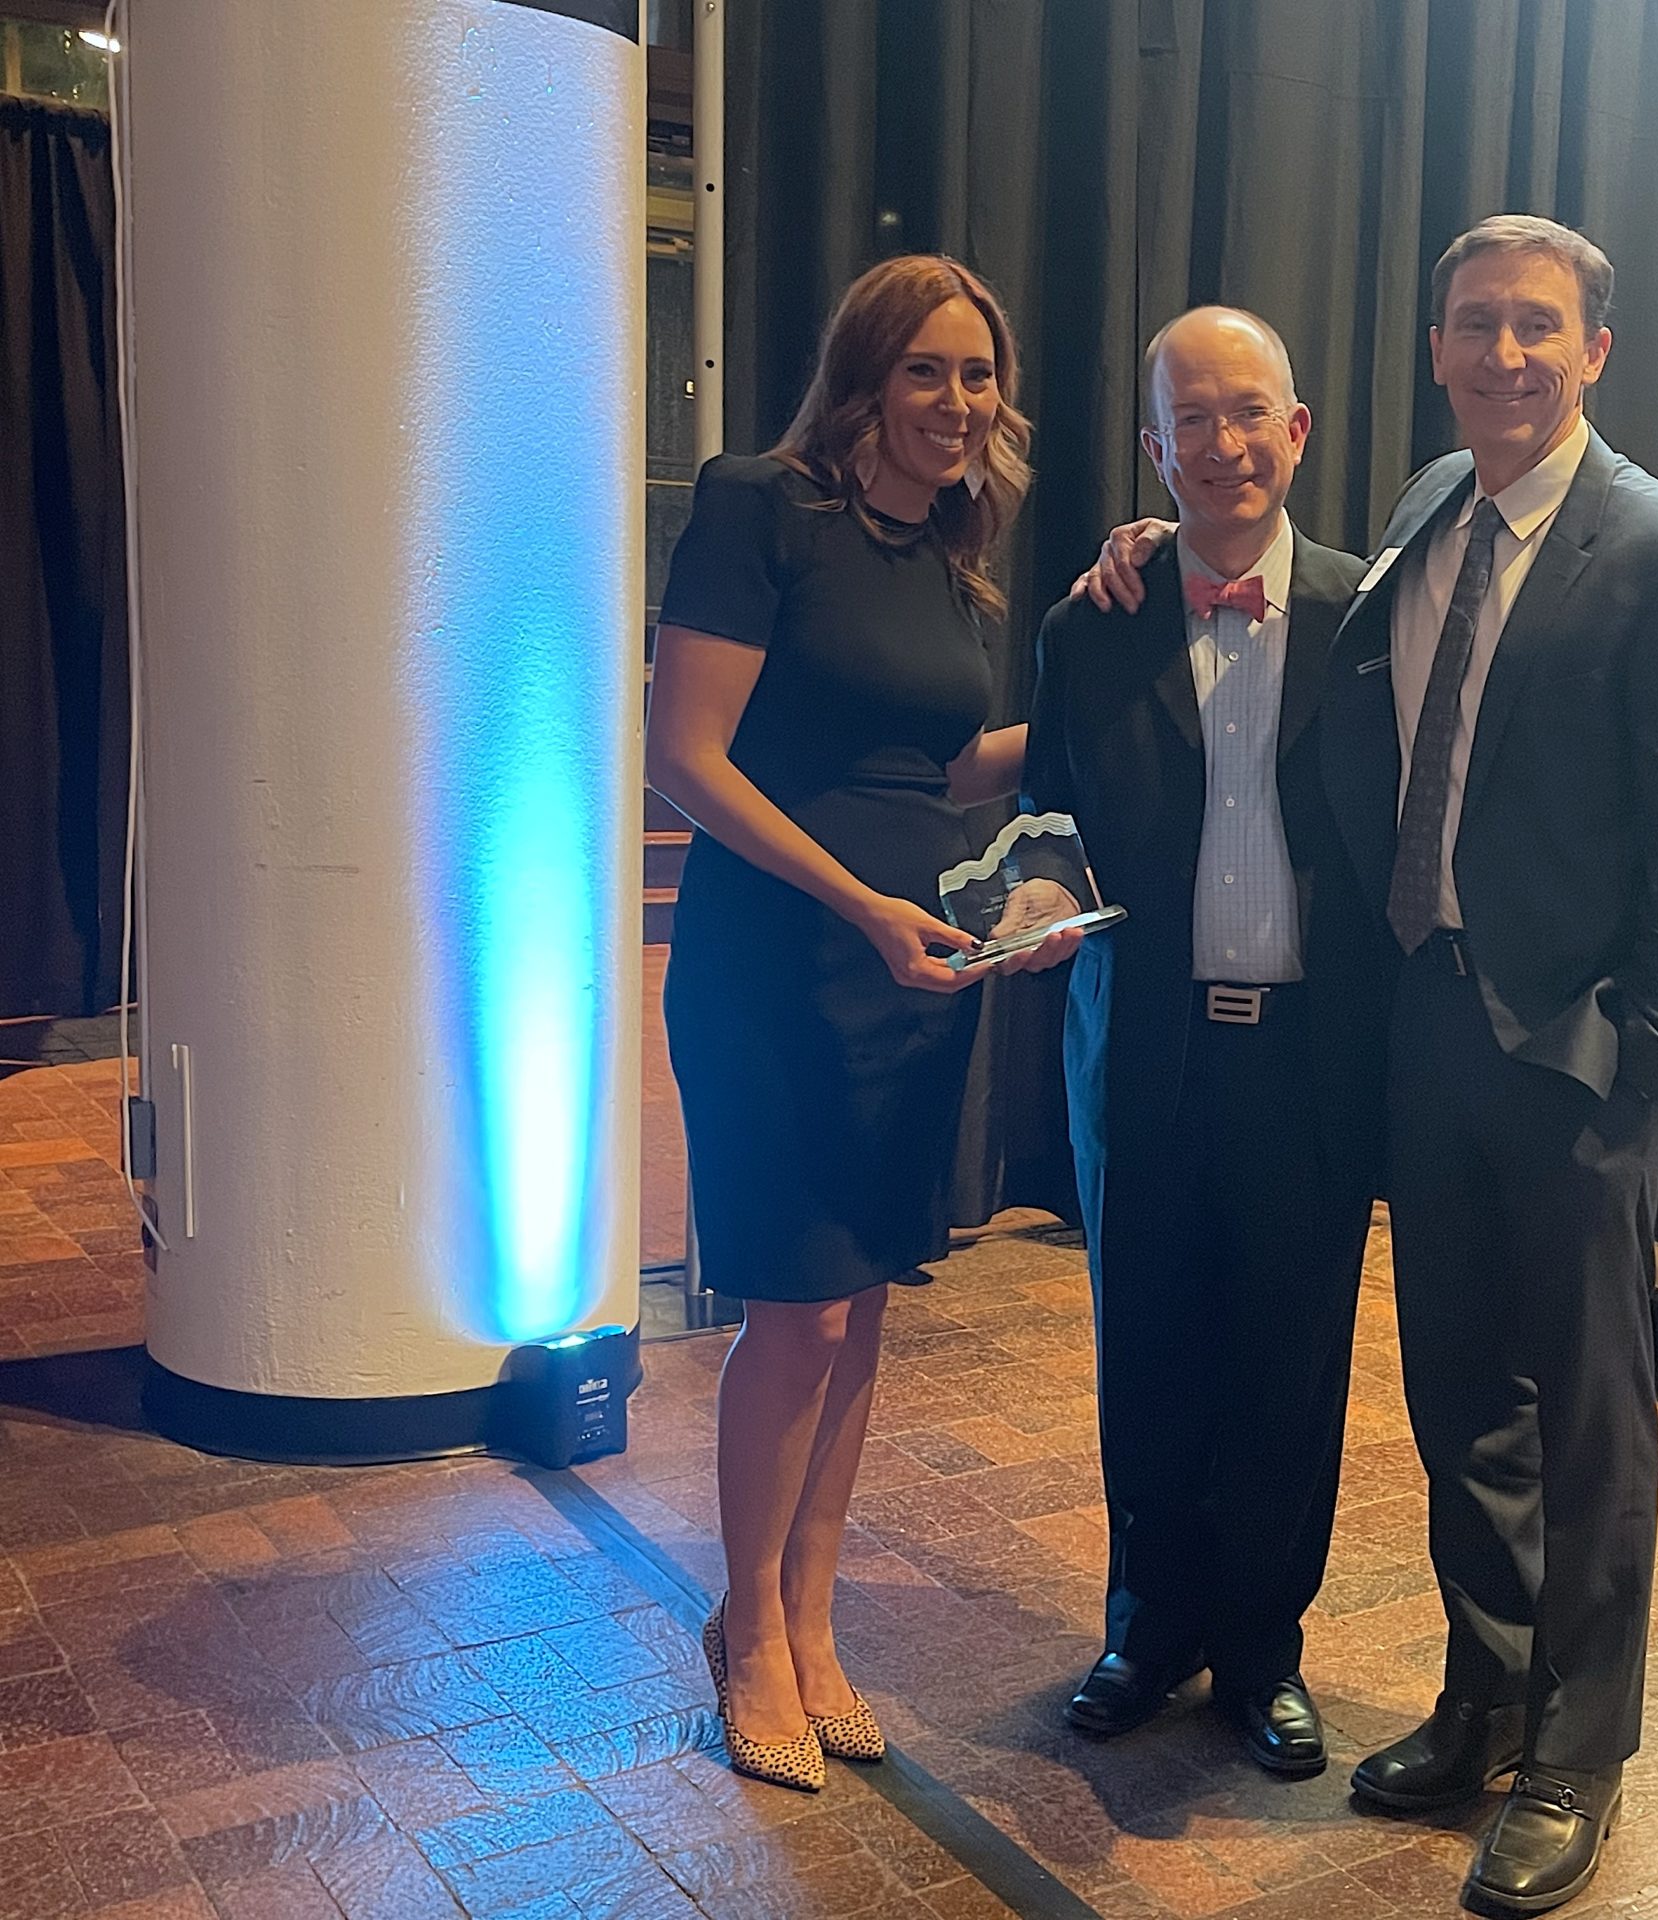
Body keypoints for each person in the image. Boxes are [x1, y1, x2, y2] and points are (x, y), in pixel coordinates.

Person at [1078, 217, 1658, 1914]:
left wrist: (1649, 1067)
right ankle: (1483, 1695)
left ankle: (1577, 1753)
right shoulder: (1415, 517)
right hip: (1421, 1027)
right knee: (1462, 1396)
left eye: (1538, 328)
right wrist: (1145, 543)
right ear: (1441, 348)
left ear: (1595, 349)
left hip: (1578, 1055)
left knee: (1593, 1419)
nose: (1506, 357)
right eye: (1477, 327)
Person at [646, 254, 1078, 1792]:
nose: (959, 404)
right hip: (783, 968)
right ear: (865, 381)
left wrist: (1112, 682)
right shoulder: (761, 506)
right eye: (927, 372)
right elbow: (687, 758)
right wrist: (860, 906)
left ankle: (815, 1623)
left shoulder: (948, 558)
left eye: (979, 377)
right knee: (799, 1310)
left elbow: (948, 773)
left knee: (869, 1305)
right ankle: (746, 1629)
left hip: (918, 974)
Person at [1024, 308, 1391, 1776]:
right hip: (1147, 1053)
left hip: (1309, 1058)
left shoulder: (1377, 621)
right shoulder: (1087, 627)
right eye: (1194, 418)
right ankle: (1149, 1624)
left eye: (1252, 414)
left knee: (1293, 1364)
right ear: (1153, 447)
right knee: (1150, 1349)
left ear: (1296, 432)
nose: (1226, 444)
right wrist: (1039, 895)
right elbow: (1047, 822)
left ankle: (1263, 1651)